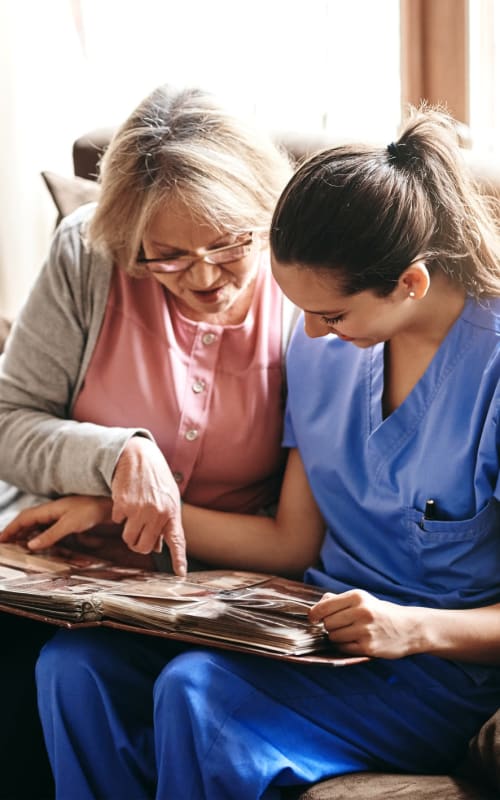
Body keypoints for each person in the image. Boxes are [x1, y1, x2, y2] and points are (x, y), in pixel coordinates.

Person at [8, 105, 500, 799]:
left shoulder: (490, 372)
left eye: (331, 315)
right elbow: (291, 539)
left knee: (196, 690)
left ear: (410, 283)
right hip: (311, 630)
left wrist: (410, 627)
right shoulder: (321, 344)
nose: (308, 333)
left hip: (437, 663)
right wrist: (109, 506)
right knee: (76, 669)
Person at [0, 83, 295, 798]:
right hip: (80, 581)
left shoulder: (307, 289)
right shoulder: (88, 255)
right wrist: (115, 455)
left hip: (222, 584)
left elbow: (301, 535)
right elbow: (10, 422)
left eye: (228, 246)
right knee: (54, 668)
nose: (202, 277)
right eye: (166, 257)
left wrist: (110, 510)